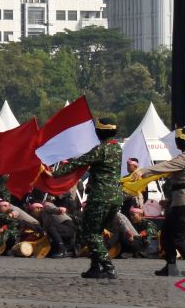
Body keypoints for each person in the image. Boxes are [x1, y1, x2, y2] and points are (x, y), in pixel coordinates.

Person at [129, 126, 185, 277]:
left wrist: (143, 170)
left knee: (177, 236)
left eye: (177, 139)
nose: (175, 141)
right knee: (166, 233)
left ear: (182, 141)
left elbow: (164, 166)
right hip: (184, 201)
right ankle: (171, 266)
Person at [53, 116, 122, 279]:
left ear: (99, 132)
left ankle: (108, 267)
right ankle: (95, 267)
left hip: (100, 197)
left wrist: (54, 173)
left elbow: (79, 163)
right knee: (97, 232)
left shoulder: (101, 149)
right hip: (114, 197)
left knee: (90, 233)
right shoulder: (118, 148)